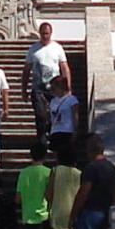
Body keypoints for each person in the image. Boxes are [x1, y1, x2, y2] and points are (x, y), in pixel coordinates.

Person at [45, 121, 84, 229]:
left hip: (56, 217)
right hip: (73, 217)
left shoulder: (55, 170)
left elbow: (49, 194)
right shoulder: (79, 174)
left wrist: (51, 205)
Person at [24, 22, 69, 150]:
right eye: (43, 34)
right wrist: (24, 89)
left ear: (51, 33)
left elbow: (64, 67)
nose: (45, 36)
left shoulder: (57, 48)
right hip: (38, 88)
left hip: (55, 88)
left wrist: (68, 87)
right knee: (40, 114)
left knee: (55, 114)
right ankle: (42, 140)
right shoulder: (33, 49)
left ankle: (54, 138)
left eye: (47, 34)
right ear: (39, 33)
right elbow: (26, 70)